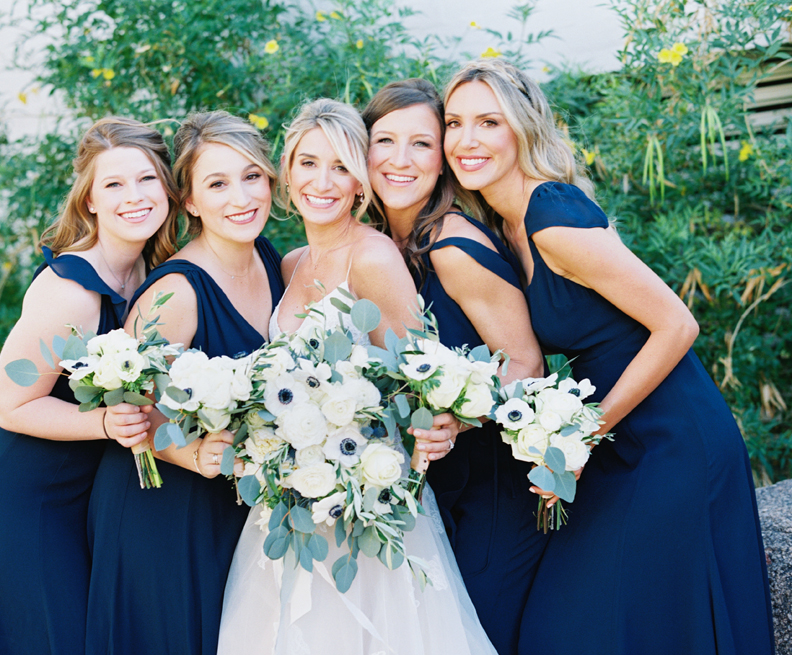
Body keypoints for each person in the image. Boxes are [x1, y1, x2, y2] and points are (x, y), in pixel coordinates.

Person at [444, 57, 775, 655]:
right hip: (615, 441)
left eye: (488, 122)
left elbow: (677, 323)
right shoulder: (501, 226)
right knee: (576, 624)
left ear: (522, 128)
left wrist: (584, 434)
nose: (467, 140)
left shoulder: (551, 217)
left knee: (601, 625)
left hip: (671, 439)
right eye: (454, 123)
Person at [217, 98, 497, 655]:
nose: (322, 182)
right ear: (287, 171)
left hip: (365, 501)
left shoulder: (373, 257)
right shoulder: (292, 263)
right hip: (291, 501)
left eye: (342, 167)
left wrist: (402, 441)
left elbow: (421, 379)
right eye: (308, 163)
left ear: (360, 183)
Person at [0, 117, 179, 655]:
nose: (135, 196)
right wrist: (106, 422)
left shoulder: (151, 275)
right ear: (90, 201)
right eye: (114, 184)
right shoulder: (72, 290)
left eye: (147, 179)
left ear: (169, 189)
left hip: (85, 499)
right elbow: (9, 405)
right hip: (25, 498)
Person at [84, 110, 284, 655]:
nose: (241, 197)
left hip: (233, 508)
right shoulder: (175, 291)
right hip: (162, 512)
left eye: (252, 176)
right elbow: (131, 410)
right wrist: (194, 453)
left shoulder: (268, 257)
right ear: (190, 200)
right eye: (217, 184)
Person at [362, 78, 547, 655]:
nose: (400, 159)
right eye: (384, 140)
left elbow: (526, 363)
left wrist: (459, 419)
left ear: (442, 158)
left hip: (490, 490)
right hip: (425, 496)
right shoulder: (370, 247)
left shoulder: (452, 245)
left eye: (421, 143)